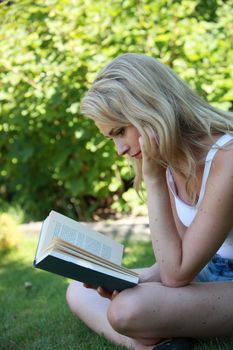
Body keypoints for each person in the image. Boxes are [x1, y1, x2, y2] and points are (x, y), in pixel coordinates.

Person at [66, 53, 233, 350]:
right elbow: (179, 254)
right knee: (78, 290)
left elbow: (176, 274)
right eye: (110, 138)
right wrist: (117, 279)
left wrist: (154, 180)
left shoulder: (227, 159)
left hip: (219, 280)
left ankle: (150, 338)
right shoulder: (171, 157)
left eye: (120, 131)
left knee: (128, 310)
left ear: (150, 108)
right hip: (208, 271)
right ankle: (156, 343)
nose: (119, 149)